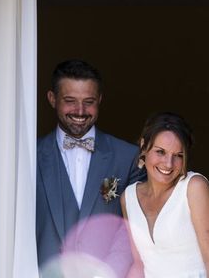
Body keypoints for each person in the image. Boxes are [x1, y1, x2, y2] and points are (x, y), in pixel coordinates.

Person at [36, 59, 144, 276]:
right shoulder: (29, 158)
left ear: (100, 100)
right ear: (52, 99)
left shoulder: (128, 157)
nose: (80, 110)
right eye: (70, 100)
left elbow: (134, 230)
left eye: (89, 101)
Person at [121, 112, 209, 278]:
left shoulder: (194, 188)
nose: (168, 164)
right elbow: (139, 264)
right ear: (143, 147)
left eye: (178, 155)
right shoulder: (128, 197)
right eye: (160, 152)